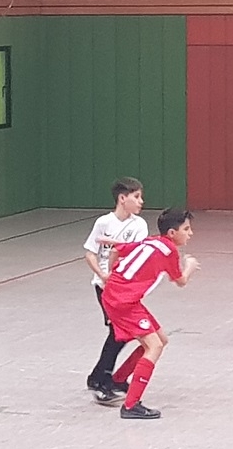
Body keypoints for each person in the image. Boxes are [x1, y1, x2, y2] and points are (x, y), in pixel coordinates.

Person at [102, 207, 200, 420]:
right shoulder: (169, 251)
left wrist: (110, 276)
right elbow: (180, 281)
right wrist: (190, 266)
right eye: (186, 229)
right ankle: (131, 405)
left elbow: (116, 250)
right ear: (172, 233)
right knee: (154, 346)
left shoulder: (151, 241)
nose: (190, 233)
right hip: (122, 302)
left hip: (118, 297)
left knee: (161, 340)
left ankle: (118, 380)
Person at [82, 178, 150, 406]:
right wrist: (102, 275)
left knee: (123, 333)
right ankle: (101, 381)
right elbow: (90, 252)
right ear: (122, 198)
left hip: (124, 288)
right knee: (118, 332)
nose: (141, 201)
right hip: (104, 287)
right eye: (136, 197)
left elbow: (135, 254)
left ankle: (100, 377)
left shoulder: (139, 225)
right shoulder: (103, 223)